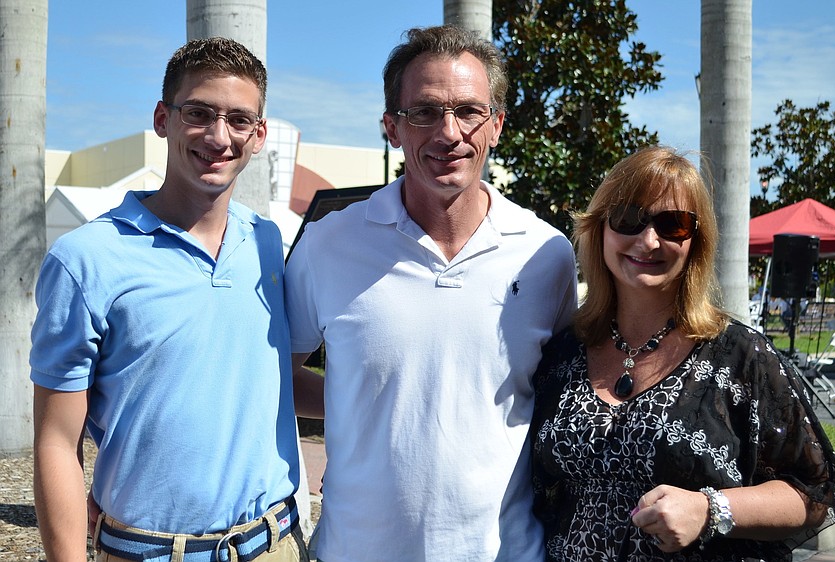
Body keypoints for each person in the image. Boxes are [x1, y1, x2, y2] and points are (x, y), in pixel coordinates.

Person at [284, 25, 578, 562]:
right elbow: (279, 374)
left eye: (468, 111)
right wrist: (363, 401)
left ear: (497, 125)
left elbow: (564, 396)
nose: (449, 132)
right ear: (392, 128)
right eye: (424, 112)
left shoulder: (545, 255)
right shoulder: (328, 245)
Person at [31, 37, 308, 562]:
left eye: (239, 119)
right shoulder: (85, 259)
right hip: (150, 552)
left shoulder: (268, 243)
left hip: (276, 545)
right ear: (163, 118)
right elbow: (55, 441)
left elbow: (271, 379)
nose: (219, 136)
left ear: (259, 134)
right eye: (199, 113)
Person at [530, 145, 835, 561]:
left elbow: (812, 493)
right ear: (600, 229)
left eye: (673, 224)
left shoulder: (741, 356)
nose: (648, 239)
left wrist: (710, 509)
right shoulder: (562, 351)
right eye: (627, 218)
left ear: (695, 241)